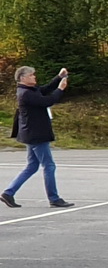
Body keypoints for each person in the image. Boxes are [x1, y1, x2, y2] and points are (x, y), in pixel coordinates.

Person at [6, 64, 73, 208]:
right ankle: (54, 198)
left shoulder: (29, 90)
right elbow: (47, 101)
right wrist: (60, 89)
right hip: (35, 134)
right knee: (49, 165)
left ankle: (8, 193)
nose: (34, 77)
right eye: (31, 75)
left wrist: (59, 77)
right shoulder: (26, 94)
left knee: (32, 166)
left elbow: (45, 89)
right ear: (23, 78)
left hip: (32, 133)